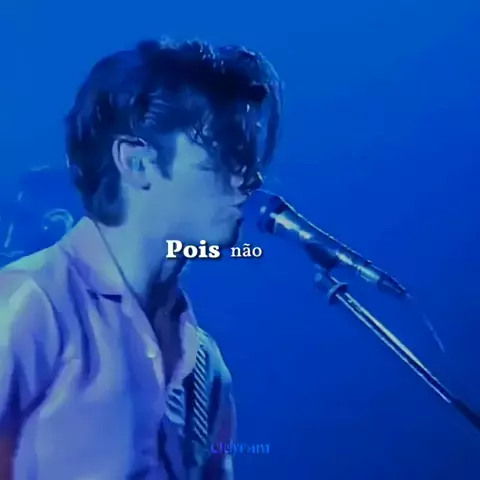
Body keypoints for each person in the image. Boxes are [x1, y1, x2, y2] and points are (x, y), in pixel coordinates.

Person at [0, 38, 282, 479]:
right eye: (226, 151)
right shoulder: (29, 304)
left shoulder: (206, 365)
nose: (252, 177)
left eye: (248, 154)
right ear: (136, 162)